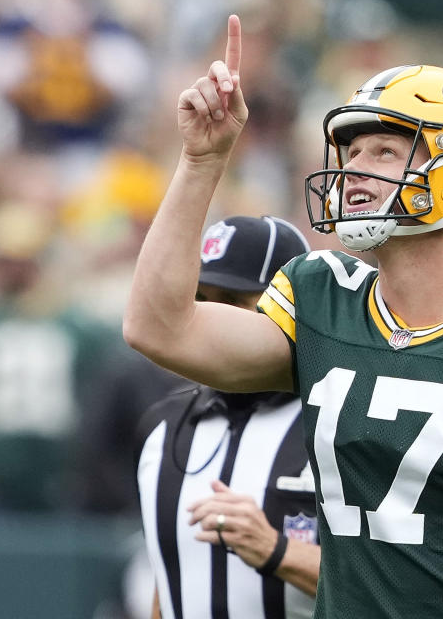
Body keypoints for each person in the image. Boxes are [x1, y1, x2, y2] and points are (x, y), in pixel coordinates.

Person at [124, 15, 443, 619]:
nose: (354, 169)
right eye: (352, 151)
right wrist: (201, 162)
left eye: (385, 151)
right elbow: (159, 328)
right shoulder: (322, 294)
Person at [134, 214, 319, 619]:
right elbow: (169, 585)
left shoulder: (339, 419)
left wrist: (276, 551)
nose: (207, 319)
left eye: (232, 301)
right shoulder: (164, 425)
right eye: (199, 299)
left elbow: (395, 587)